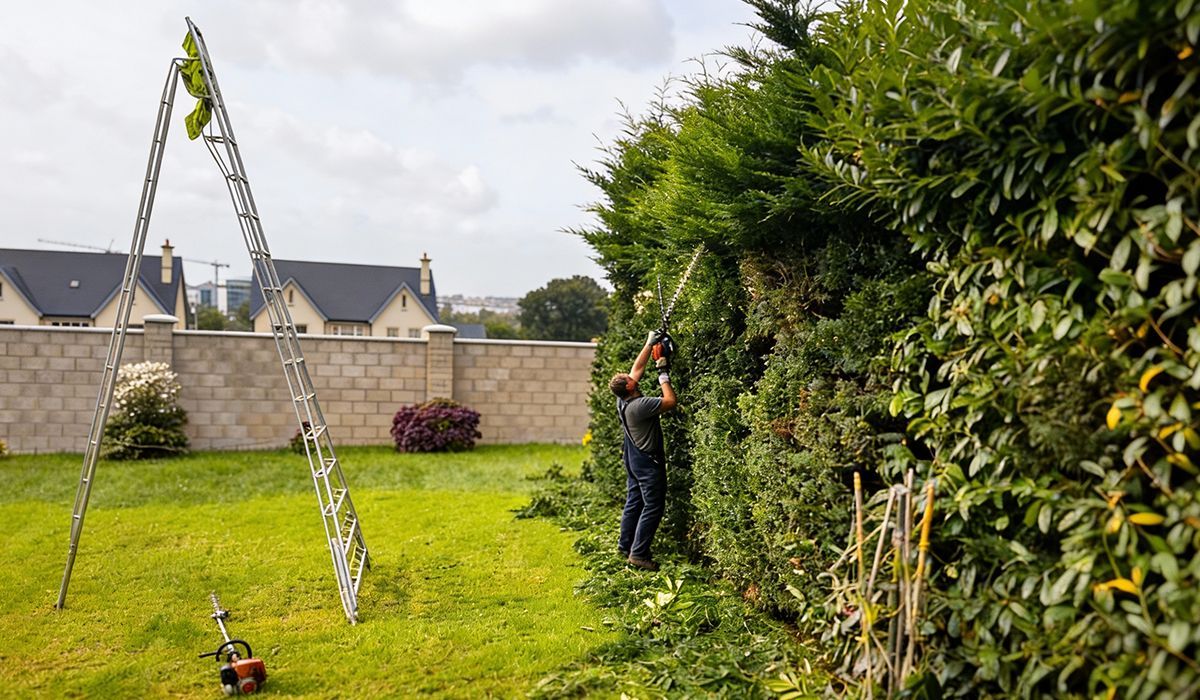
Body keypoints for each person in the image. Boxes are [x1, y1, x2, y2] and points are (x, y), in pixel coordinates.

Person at [608, 329, 678, 571]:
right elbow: (670, 401)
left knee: (635, 501)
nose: (632, 376)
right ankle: (638, 554)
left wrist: (648, 345)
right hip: (648, 462)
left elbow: (636, 369)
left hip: (633, 458)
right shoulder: (640, 406)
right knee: (653, 506)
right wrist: (663, 373)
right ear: (630, 387)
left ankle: (624, 546)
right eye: (630, 379)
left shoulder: (622, 399)